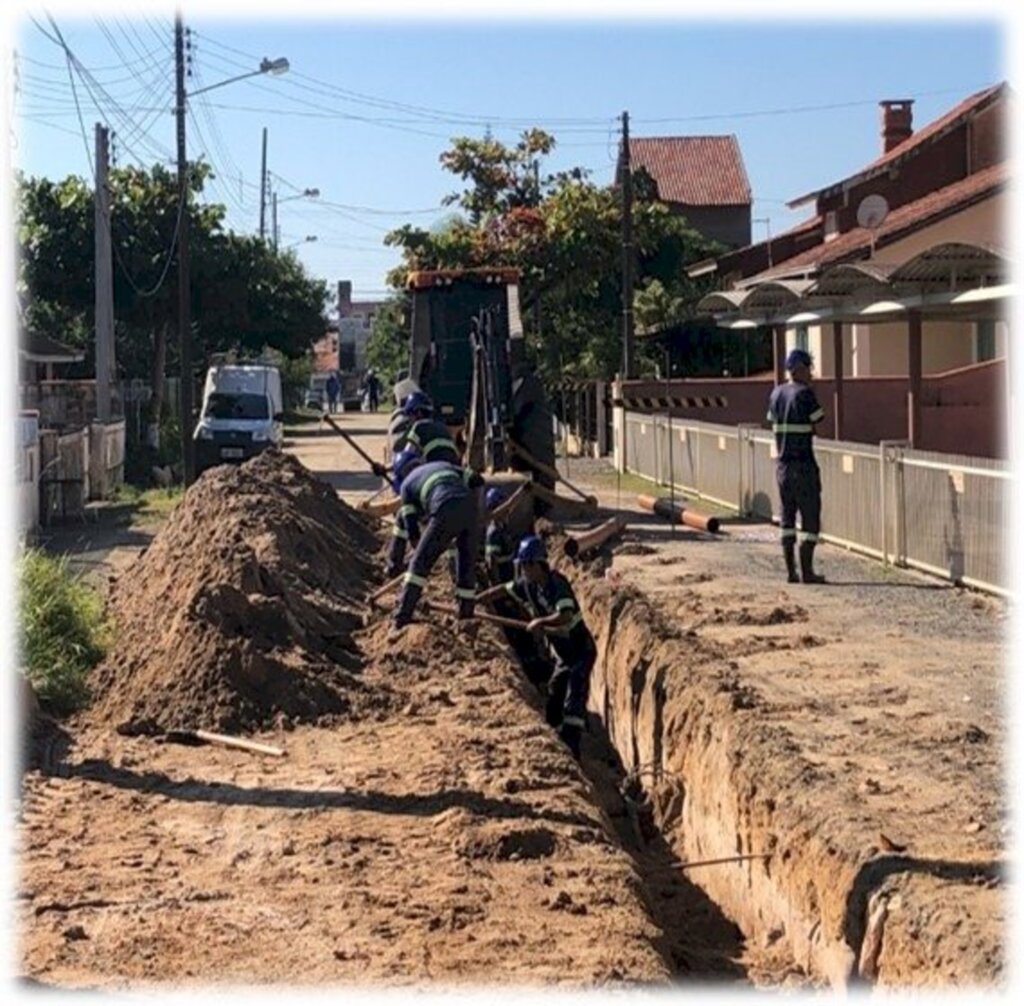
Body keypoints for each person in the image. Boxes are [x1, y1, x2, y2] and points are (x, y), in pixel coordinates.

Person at [477, 535, 596, 759]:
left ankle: (574, 750)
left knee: (574, 700)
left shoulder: (557, 584)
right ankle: (556, 743)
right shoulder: (528, 585)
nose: (522, 570)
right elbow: (503, 589)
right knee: (554, 696)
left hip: (580, 651)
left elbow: (565, 615)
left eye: (524, 565)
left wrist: (541, 622)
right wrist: (475, 601)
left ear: (536, 564)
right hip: (563, 654)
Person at [385, 448, 483, 630]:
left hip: (443, 509)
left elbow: (413, 534)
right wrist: (478, 511)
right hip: (470, 511)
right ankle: (466, 619)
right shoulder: (443, 465)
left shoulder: (407, 486)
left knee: (418, 566)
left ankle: (401, 618)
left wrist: (425, 549)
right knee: (466, 567)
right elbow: (477, 480)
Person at [767, 348, 827, 584]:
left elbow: (772, 420)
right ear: (800, 368)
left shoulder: (776, 394)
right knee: (811, 518)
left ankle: (791, 571)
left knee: (787, 517)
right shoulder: (805, 394)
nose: (811, 373)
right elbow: (818, 419)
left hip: (782, 467)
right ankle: (808, 571)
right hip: (804, 465)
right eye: (809, 368)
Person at [482, 492, 553, 690]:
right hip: (505, 589)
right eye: (502, 506)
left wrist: (522, 492)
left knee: (527, 625)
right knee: (521, 633)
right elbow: (492, 565)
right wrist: (500, 595)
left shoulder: (501, 527)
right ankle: (537, 676)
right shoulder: (494, 533)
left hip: (512, 586)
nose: (507, 510)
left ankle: (541, 669)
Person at [402, 391, 460, 464]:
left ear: (418, 413)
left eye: (410, 414)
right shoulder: (442, 427)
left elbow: (406, 456)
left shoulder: (418, 426)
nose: (409, 418)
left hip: (434, 467)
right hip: (454, 466)